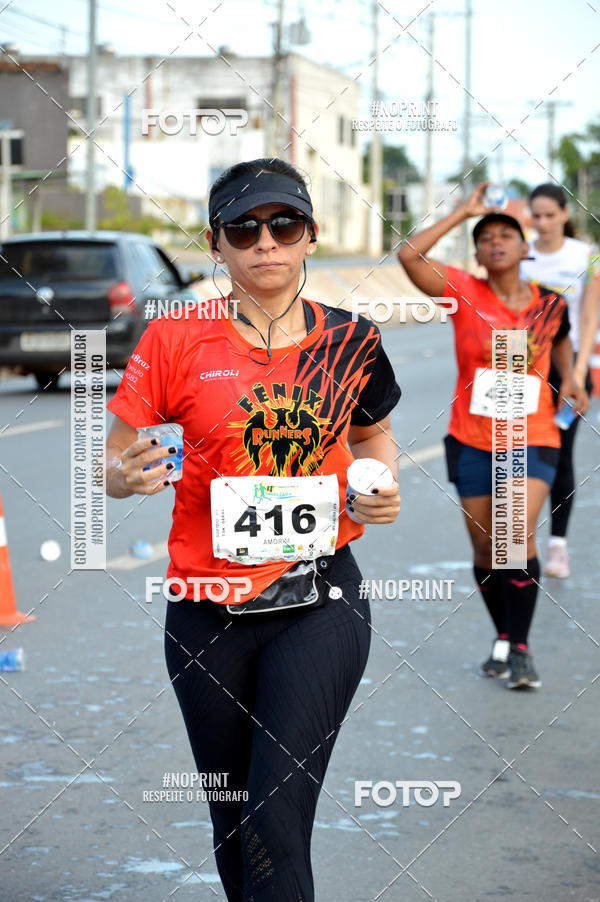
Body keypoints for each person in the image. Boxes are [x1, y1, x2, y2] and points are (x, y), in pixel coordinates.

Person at [105, 157, 401, 902]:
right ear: (217, 244)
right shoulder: (175, 340)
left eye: (283, 224)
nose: (264, 242)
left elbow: (373, 437)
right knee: (234, 823)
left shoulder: (352, 342)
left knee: (275, 816)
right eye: (244, 228)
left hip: (320, 602)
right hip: (206, 612)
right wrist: (120, 476)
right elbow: (113, 455)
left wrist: (381, 485)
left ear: (309, 237)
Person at [397, 181, 588, 690]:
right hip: (473, 438)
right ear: (478, 253)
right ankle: (503, 635)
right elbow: (408, 254)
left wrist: (569, 379)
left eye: (507, 234)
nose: (496, 242)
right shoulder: (464, 292)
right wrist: (464, 212)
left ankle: (521, 649)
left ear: (526, 248)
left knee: (510, 533)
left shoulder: (549, 304)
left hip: (534, 435)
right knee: (486, 551)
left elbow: (564, 344)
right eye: (486, 238)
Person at [520, 183, 600, 578]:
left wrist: (580, 373)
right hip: (525, 370)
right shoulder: (522, 255)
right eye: (536, 215)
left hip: (569, 371)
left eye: (551, 215)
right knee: (517, 453)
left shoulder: (587, 256)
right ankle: (519, 540)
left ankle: (558, 546)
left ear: (565, 214)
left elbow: (588, 318)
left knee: (561, 454)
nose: (544, 222)